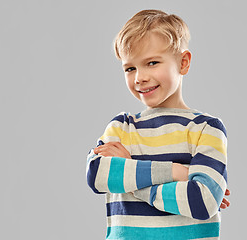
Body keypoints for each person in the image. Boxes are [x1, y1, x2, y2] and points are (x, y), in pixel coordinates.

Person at [86, 9, 230, 240]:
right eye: (130, 68)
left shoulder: (205, 128)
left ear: (183, 63)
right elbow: (97, 175)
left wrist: (131, 177)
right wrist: (178, 172)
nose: (139, 77)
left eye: (152, 63)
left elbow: (202, 202)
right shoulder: (121, 127)